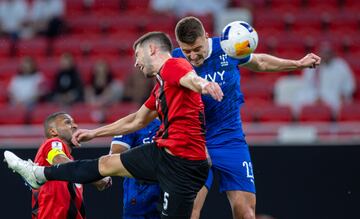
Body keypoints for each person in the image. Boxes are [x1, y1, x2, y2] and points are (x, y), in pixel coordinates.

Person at [4, 31, 224, 219]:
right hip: (166, 155)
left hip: (182, 163)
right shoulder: (159, 88)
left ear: (153, 50)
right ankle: (38, 174)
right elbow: (136, 120)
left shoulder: (172, 66)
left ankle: (39, 173)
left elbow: (189, 78)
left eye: (137, 55)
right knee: (107, 164)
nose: (136, 62)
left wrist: (204, 84)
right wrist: (94, 133)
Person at [172, 16, 321, 219]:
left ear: (205, 37)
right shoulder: (175, 61)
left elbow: (258, 61)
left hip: (230, 140)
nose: (192, 56)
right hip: (194, 142)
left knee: (247, 214)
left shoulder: (227, 46)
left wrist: (297, 63)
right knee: (189, 213)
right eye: (186, 51)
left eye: (197, 49)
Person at [31, 112, 112, 219]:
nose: (75, 126)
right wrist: (96, 177)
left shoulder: (72, 163)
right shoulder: (52, 143)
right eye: (68, 122)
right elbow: (59, 161)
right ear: (53, 131)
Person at [110, 119, 161, 219]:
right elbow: (116, 152)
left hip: (167, 193)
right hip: (139, 193)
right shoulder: (136, 122)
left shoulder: (179, 126)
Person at [294, 42, 355, 115]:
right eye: (323, 53)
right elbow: (306, 85)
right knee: (299, 98)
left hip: (334, 95)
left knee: (338, 103)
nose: (325, 55)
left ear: (332, 54)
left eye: (327, 53)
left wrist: (344, 93)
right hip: (313, 94)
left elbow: (349, 84)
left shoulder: (340, 65)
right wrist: (316, 97)